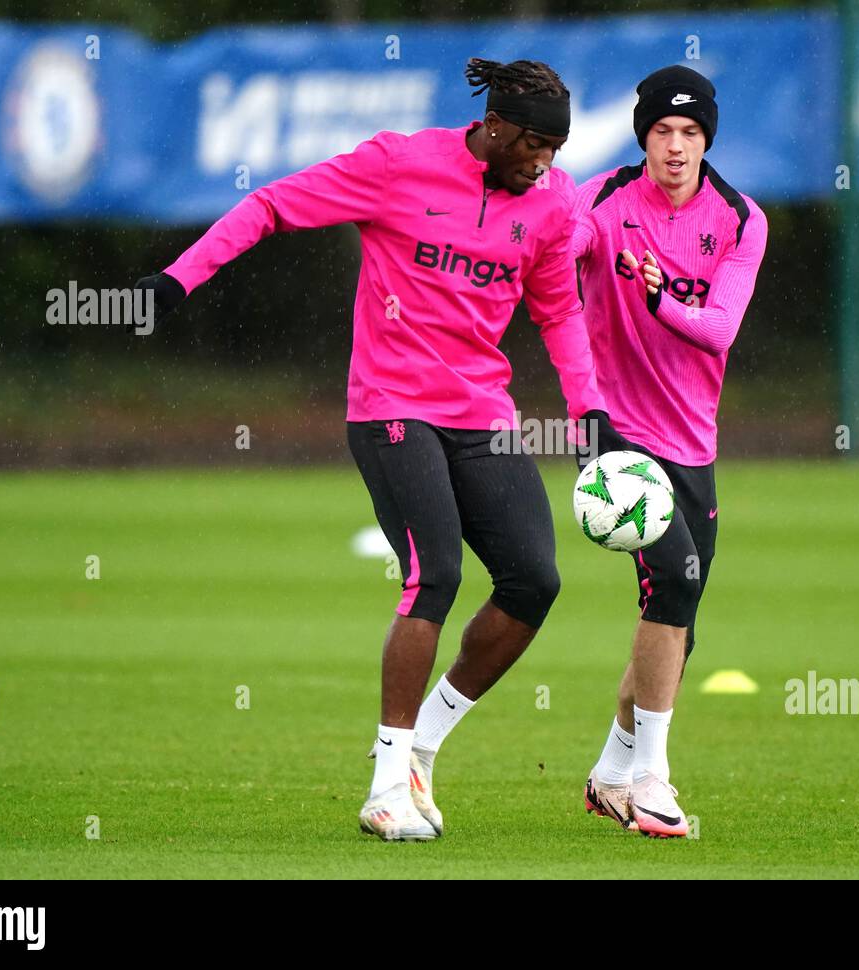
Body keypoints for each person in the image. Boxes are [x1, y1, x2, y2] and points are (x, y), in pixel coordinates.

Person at [135, 58, 618, 841]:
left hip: (482, 411)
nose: (545, 163)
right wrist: (178, 279)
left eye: (554, 150)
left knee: (534, 581)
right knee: (437, 574)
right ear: (494, 127)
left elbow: (558, 309)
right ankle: (386, 785)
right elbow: (271, 205)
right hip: (391, 405)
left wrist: (587, 415)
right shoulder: (398, 165)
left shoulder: (555, 203)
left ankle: (421, 744)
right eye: (533, 144)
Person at [570, 65, 769, 837]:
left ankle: (611, 773)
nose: (676, 146)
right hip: (611, 431)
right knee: (678, 581)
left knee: (679, 626)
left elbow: (719, 328)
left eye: (689, 132)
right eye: (662, 131)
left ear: (706, 138)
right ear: (642, 138)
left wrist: (659, 297)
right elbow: (563, 249)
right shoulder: (601, 199)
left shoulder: (741, 219)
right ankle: (653, 778)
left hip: (691, 441)